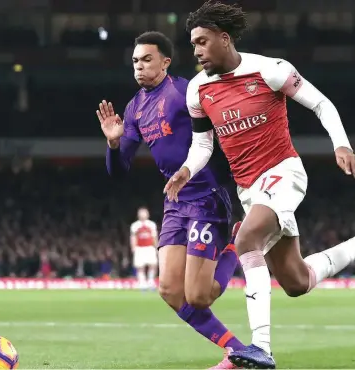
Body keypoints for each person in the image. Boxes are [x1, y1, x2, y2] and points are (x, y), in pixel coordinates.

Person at [164, 1, 355, 368]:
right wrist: (187, 170)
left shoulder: (270, 70)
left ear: (224, 39)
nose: (196, 51)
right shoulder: (198, 91)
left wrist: (342, 145)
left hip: (283, 172)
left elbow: (321, 104)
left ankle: (262, 348)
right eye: (193, 44)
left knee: (246, 240)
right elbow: (204, 143)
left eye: (202, 42)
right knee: (296, 281)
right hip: (249, 189)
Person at [99, 31, 246, 369]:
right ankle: (236, 351)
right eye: (135, 61)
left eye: (147, 59)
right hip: (175, 201)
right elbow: (119, 171)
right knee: (168, 289)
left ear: (165, 62)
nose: (139, 66)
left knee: (200, 295)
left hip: (206, 195)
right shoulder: (134, 108)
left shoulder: (184, 92)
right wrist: (113, 144)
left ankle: (235, 246)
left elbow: (221, 130)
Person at [130, 207, 158, 289]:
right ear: (138, 215)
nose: (143, 214)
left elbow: (154, 237)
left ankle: (150, 281)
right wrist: (133, 247)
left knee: (153, 264)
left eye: (144, 212)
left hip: (150, 247)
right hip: (139, 248)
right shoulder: (135, 225)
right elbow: (133, 237)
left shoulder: (152, 224)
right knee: (140, 266)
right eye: (141, 213)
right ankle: (142, 282)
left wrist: (156, 247)